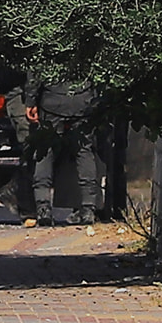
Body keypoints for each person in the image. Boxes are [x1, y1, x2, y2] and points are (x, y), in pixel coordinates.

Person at [18, 75, 101, 226]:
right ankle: (88, 208)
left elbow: (36, 72)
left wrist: (31, 100)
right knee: (84, 151)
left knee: (45, 150)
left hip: (52, 102)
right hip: (83, 100)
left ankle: (43, 207)